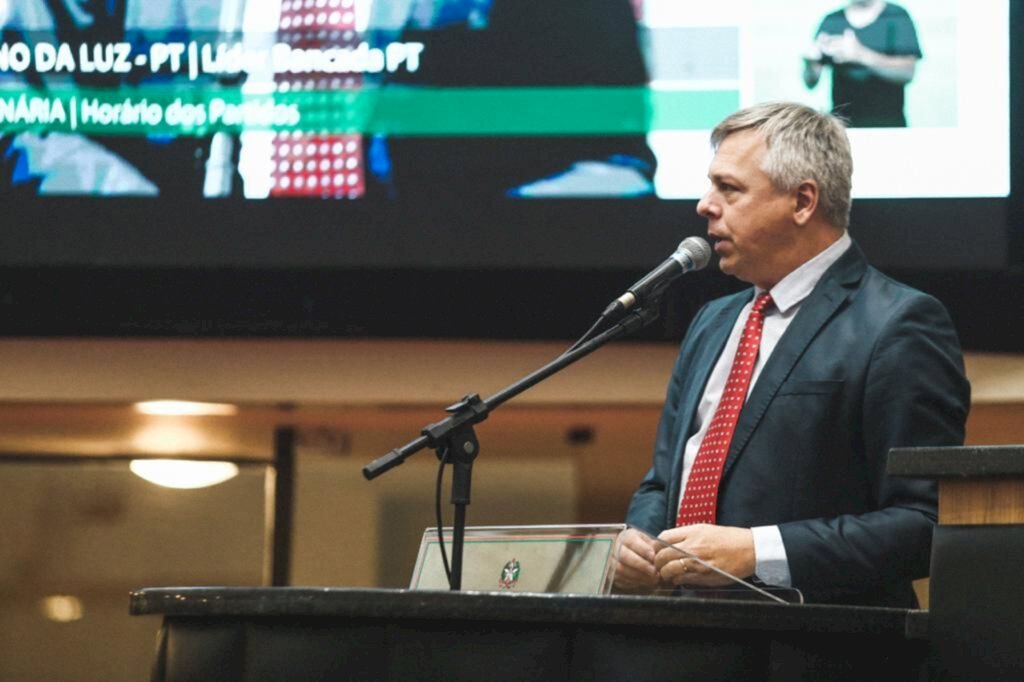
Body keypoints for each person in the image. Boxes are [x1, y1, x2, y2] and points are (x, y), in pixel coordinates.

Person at [613, 101, 969, 606]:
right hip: (684, 638)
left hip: (814, 652)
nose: (703, 205)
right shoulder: (713, 321)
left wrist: (758, 552)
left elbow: (925, 524)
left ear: (802, 201)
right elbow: (663, 481)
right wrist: (640, 543)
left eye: (728, 188)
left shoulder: (898, 324)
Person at [803, 0, 922, 127]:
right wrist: (810, 63)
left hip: (888, 125)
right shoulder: (832, 20)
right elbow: (811, 82)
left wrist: (861, 55)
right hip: (841, 127)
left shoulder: (896, 16)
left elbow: (907, 72)